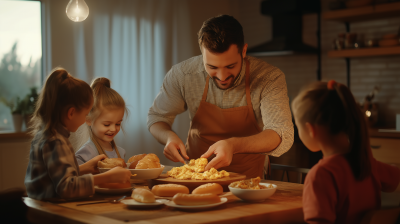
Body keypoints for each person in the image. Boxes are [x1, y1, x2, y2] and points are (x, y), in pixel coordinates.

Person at [148, 15, 294, 178]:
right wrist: (168, 137)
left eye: (230, 66)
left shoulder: (268, 77)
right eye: (212, 67)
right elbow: (157, 117)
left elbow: (281, 133)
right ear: (202, 53)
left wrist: (233, 145)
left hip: (250, 178)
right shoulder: (183, 74)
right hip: (197, 177)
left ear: (243, 51)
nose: (222, 76)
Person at [291, 80, 400, 224]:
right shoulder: (367, 163)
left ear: (311, 130)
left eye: (298, 128)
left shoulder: (321, 175)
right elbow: (394, 179)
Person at [24, 68, 131, 200]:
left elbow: (54, 176)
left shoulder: (48, 136)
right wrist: (106, 177)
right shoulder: (55, 142)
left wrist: (85, 168)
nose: (86, 119)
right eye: (86, 114)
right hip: (49, 210)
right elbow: (66, 188)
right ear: (71, 113)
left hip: (42, 206)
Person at [75, 77, 128, 165]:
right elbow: (77, 178)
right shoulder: (85, 154)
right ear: (89, 120)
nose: (113, 129)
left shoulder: (121, 152)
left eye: (118, 124)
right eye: (107, 125)